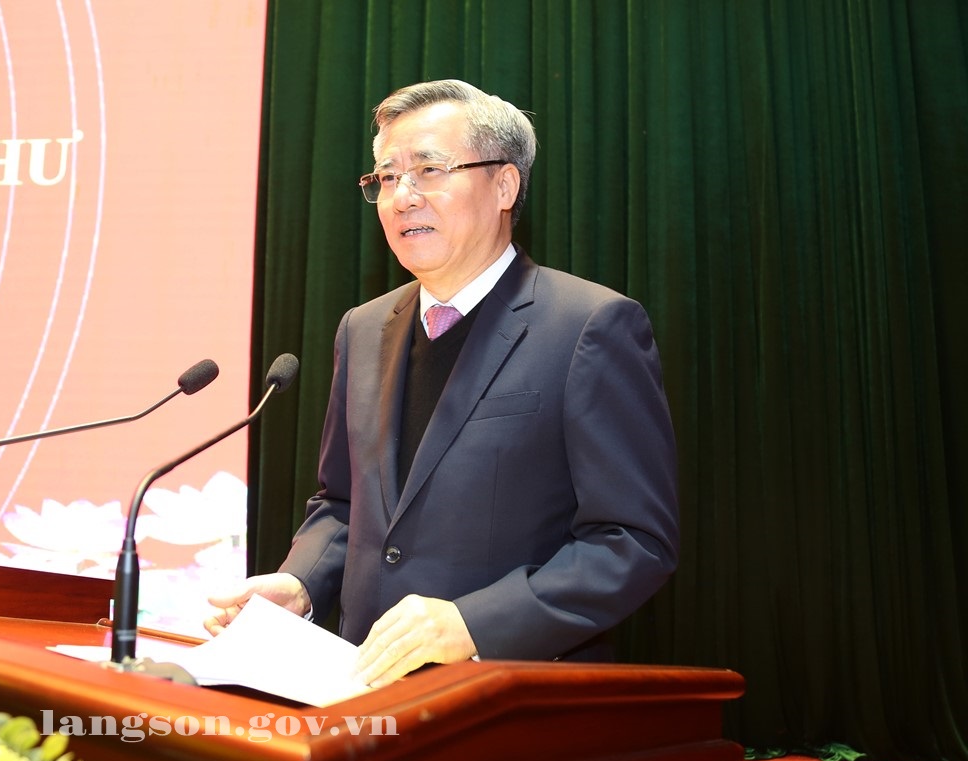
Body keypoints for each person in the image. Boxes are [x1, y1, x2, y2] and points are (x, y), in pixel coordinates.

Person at [206, 79, 679, 688]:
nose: (402, 197)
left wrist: (474, 624)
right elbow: (345, 503)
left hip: (507, 697)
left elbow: (632, 541)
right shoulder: (363, 328)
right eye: (386, 177)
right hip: (359, 687)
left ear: (504, 185)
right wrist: (300, 583)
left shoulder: (589, 326)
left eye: (429, 170)